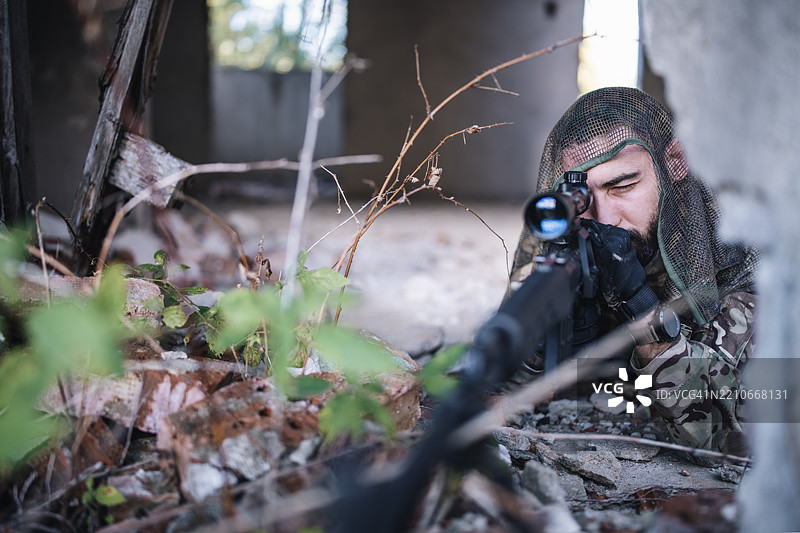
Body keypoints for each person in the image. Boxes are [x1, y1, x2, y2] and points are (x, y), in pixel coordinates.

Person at [509, 87, 758, 455]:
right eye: (585, 198)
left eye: (623, 185)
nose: (606, 219)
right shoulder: (570, 235)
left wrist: (643, 312)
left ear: (674, 160)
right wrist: (541, 348)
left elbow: (729, 436)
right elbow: (511, 379)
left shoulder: (738, 251)